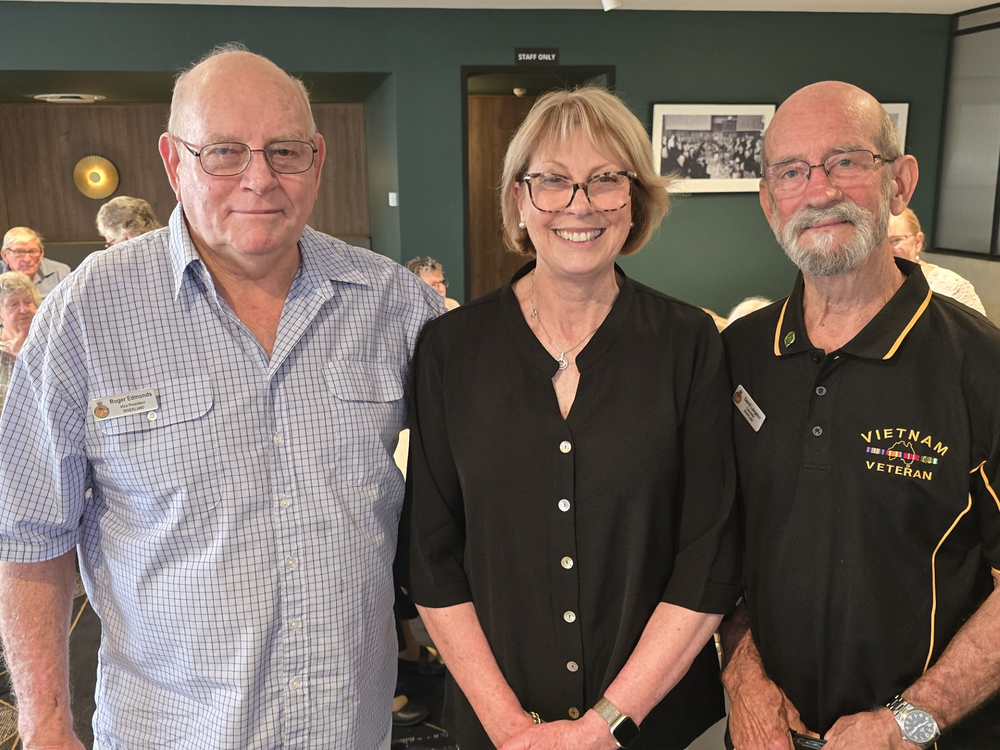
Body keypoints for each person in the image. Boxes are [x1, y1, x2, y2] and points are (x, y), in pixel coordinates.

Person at [0, 44, 441, 750]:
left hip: (348, 729)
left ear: (317, 161)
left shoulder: (393, 304)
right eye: (224, 153)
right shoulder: (85, 313)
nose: (259, 179)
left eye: (285, 152)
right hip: (168, 733)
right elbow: (29, 538)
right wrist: (46, 725)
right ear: (173, 162)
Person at [408, 87, 741, 750]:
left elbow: (708, 556)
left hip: (653, 726)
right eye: (553, 180)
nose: (579, 204)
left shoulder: (689, 344)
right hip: (499, 729)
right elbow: (430, 555)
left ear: (636, 199)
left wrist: (605, 725)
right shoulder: (452, 349)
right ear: (519, 198)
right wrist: (511, 729)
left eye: (606, 179)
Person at [721, 81, 1000, 750]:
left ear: (899, 183)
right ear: (768, 202)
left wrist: (910, 721)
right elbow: (712, 547)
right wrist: (742, 676)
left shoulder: (980, 362)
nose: (819, 191)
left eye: (845, 161)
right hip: (766, 735)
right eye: (792, 171)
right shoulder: (737, 355)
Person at [888, 207, 986, 316]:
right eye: (880, 243)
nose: (886, 250)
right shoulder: (874, 289)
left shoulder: (953, 288)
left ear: (918, 242)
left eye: (896, 240)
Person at [0, 271, 40, 410]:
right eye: (14, 304)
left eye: (28, 302)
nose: (24, 309)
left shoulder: (49, 344)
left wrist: (24, 354)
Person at [0, 227, 70, 298]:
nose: (27, 259)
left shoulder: (61, 273)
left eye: (33, 251)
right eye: (19, 252)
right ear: (5, 255)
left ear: (41, 254)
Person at [95, 195, 163, 247]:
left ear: (128, 239)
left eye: (110, 244)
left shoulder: (106, 260)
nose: (107, 249)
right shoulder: (166, 242)